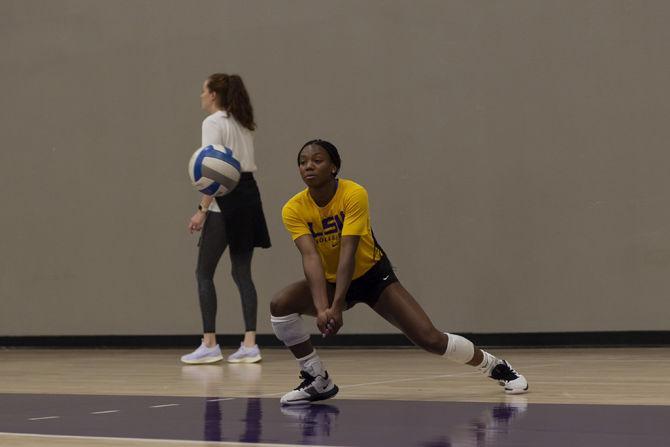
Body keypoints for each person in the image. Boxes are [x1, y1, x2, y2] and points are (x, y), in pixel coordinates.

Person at [270, 139, 528, 405]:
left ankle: (495, 366)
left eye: (317, 160)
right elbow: (311, 257)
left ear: (334, 167)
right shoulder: (293, 208)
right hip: (332, 281)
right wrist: (323, 307)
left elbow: (348, 250)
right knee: (280, 305)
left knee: (429, 339)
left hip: (372, 276)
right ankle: (317, 378)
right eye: (303, 162)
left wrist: (335, 307)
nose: (308, 166)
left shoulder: (353, 193)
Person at [182, 73, 271, 365]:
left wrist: (201, 210)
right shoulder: (243, 122)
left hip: (227, 198)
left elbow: (214, 171)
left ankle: (209, 343)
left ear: (214, 95)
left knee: (203, 272)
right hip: (250, 195)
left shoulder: (212, 123)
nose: (200, 96)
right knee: (242, 273)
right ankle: (250, 344)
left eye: (203, 91)